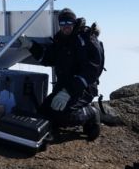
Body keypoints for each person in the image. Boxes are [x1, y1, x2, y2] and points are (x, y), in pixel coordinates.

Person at [26, 8, 103, 141]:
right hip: (63, 86)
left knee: (64, 116)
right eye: (62, 23)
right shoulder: (60, 39)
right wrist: (31, 46)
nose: (65, 26)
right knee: (44, 112)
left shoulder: (86, 38)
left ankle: (91, 113)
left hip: (83, 88)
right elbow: (48, 58)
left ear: (74, 22)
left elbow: (93, 70)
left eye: (69, 22)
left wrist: (68, 92)